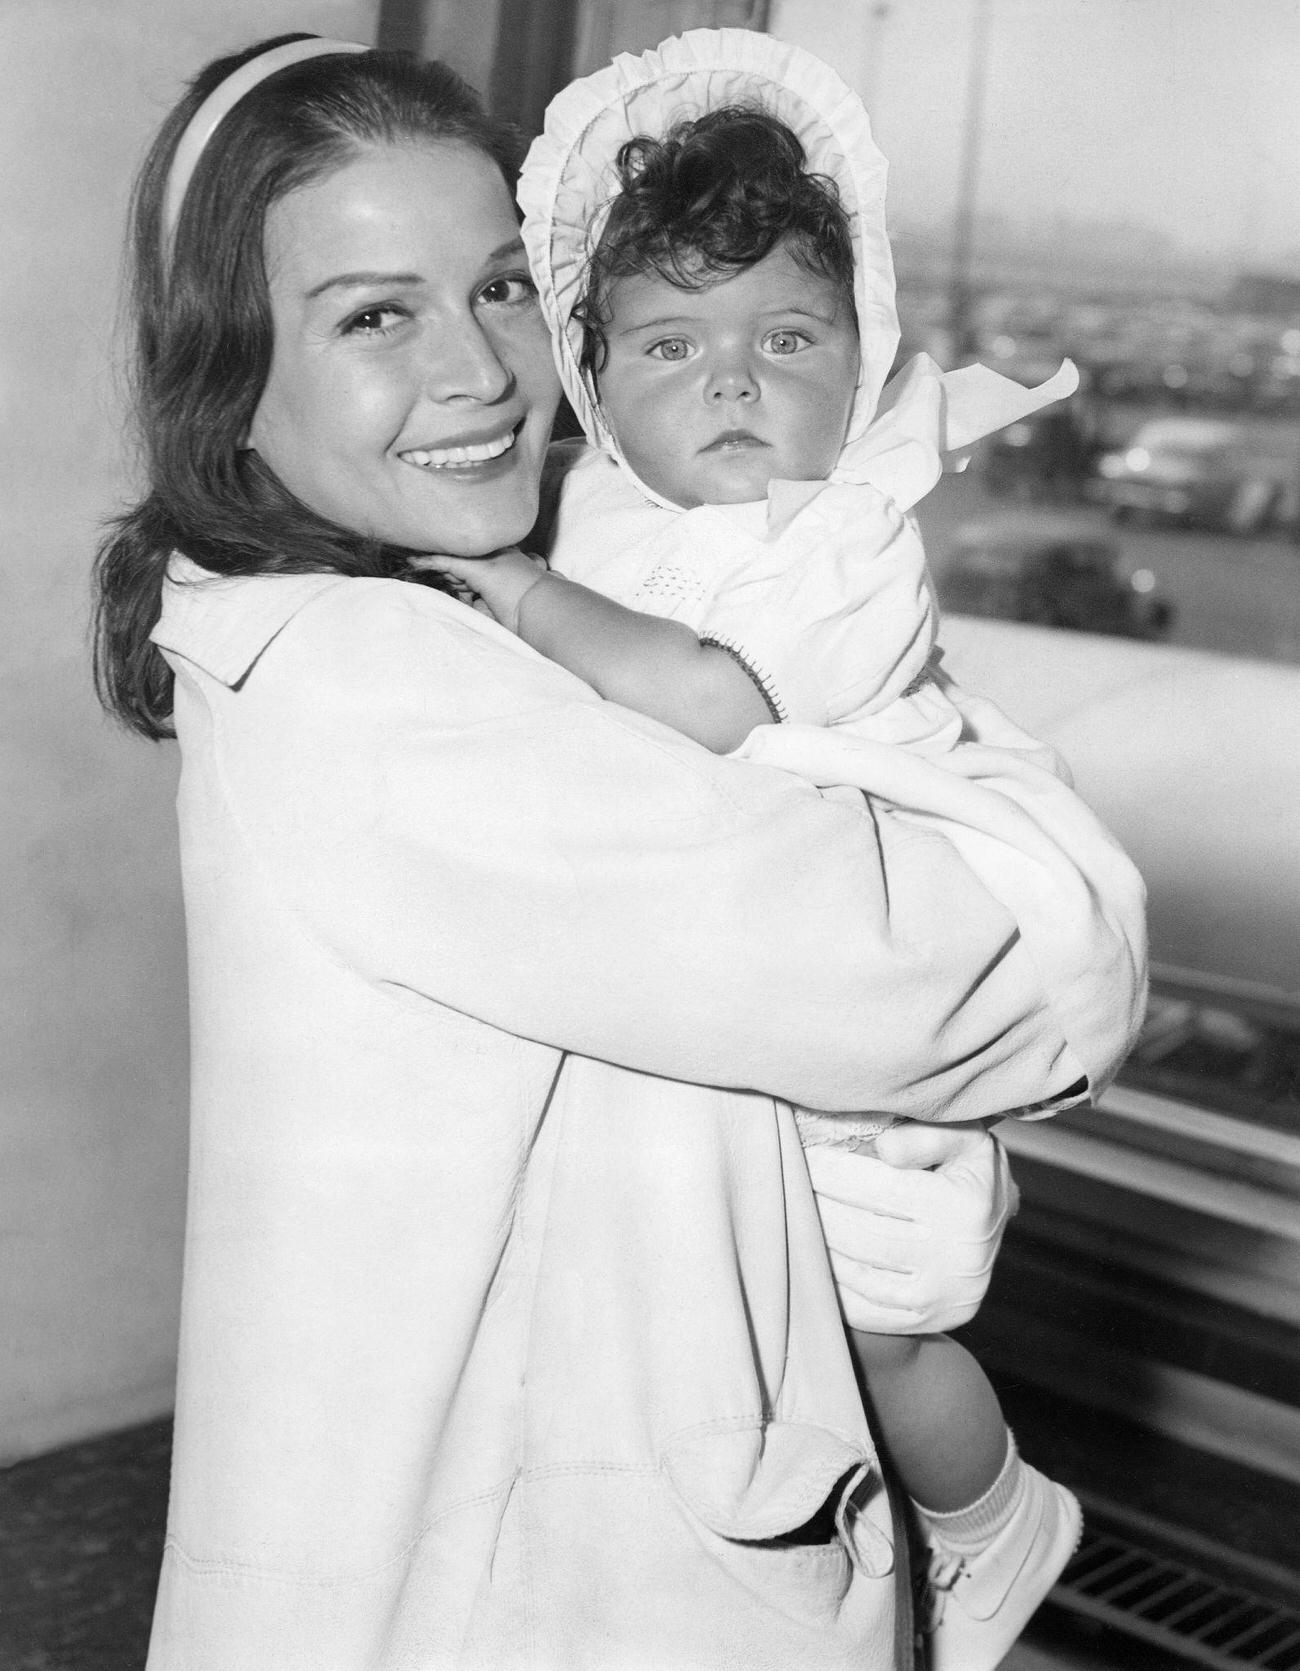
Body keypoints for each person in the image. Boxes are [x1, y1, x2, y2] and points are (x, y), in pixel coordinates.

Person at [91, 32, 1145, 1671]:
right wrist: (1044, 940)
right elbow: (953, 976)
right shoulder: (369, 682)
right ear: (226, 377)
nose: (482, 371)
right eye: (375, 315)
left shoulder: (501, 580)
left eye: (503, 288)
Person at [424, 30, 1148, 1671]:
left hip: (867, 1024)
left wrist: (521, 604)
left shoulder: (836, 538)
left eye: (786, 337)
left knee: (878, 1337)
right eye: (671, 344)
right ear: (596, 385)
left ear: (862, 358)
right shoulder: (610, 514)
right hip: (721, 995)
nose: (732, 383)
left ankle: (993, 1520)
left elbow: (705, 702)